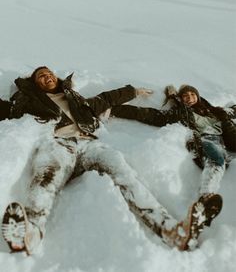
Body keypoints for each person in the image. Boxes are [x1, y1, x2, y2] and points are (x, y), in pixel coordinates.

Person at [1, 72, 222, 255]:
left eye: (49, 73)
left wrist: (132, 91)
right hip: (59, 144)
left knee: (125, 175)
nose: (47, 76)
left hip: (90, 144)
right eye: (41, 76)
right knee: (46, 178)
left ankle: (171, 230)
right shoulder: (29, 101)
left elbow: (105, 99)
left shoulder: (76, 99)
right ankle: (31, 232)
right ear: (35, 83)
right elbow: (7, 110)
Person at [111, 84, 236, 224]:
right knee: (216, 159)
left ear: (198, 96)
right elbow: (149, 114)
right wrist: (115, 109)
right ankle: (206, 196)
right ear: (180, 99)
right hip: (208, 140)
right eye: (185, 96)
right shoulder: (180, 114)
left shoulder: (213, 110)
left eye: (192, 95)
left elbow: (232, 110)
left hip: (228, 140)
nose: (190, 98)